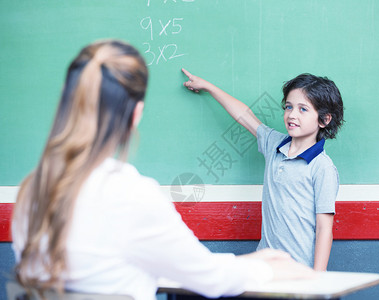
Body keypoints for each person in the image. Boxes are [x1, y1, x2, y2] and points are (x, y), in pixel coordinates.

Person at [11, 40, 315, 300]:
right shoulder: (131, 193)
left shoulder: (32, 189)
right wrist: (263, 264)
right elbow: (207, 276)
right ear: (136, 113)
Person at [182, 69, 344, 271]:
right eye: (288, 107)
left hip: (300, 272)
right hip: (265, 267)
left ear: (324, 119)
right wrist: (208, 86)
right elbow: (245, 115)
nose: (292, 114)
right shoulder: (274, 144)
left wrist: (318, 280)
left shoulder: (322, 167)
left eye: (303, 109)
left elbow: (324, 229)